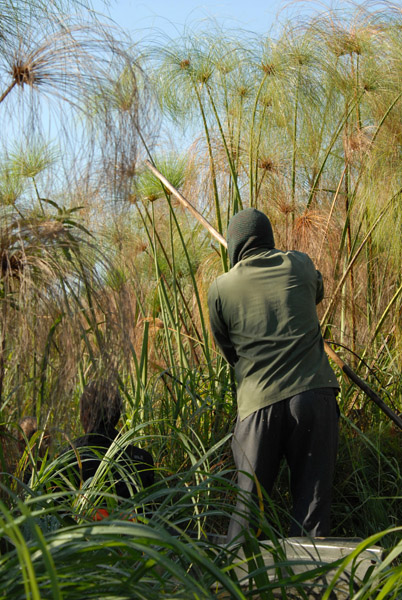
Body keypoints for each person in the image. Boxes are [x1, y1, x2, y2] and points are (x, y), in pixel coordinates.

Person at [207, 208, 340, 543]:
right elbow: (317, 292)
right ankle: (310, 588)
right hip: (313, 396)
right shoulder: (301, 264)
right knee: (312, 508)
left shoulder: (221, 288)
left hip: (258, 406)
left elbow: (229, 351)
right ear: (269, 238)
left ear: (234, 246)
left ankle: (241, 586)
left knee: (248, 511)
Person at [60, 381, 154, 503]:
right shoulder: (143, 460)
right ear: (117, 414)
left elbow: (57, 511)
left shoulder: (69, 457)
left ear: (86, 414)